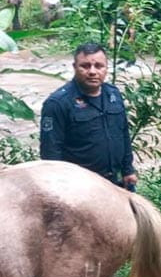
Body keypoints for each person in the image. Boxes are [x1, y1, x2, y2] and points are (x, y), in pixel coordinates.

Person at [40, 43, 137, 190]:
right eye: (85, 66)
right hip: (78, 186)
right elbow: (51, 152)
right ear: (74, 67)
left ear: (106, 68)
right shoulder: (58, 103)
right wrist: (58, 187)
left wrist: (128, 170)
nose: (92, 71)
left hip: (113, 182)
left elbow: (123, 133)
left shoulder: (113, 94)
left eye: (99, 66)